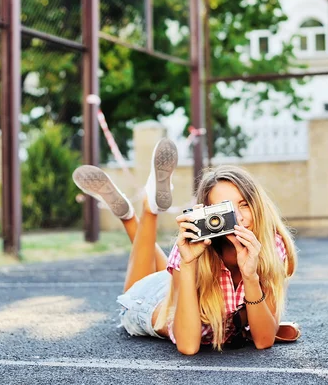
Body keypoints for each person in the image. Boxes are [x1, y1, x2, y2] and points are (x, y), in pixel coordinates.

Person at [72, 137, 299, 354]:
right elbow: (189, 347)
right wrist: (188, 264)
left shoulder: (271, 246)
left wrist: (251, 277)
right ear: (208, 214)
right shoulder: (193, 245)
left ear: (257, 204)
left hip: (176, 285)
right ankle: (145, 211)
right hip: (150, 304)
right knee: (139, 286)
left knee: (171, 272)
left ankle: (132, 214)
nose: (238, 217)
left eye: (244, 205)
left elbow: (263, 341)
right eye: (225, 210)